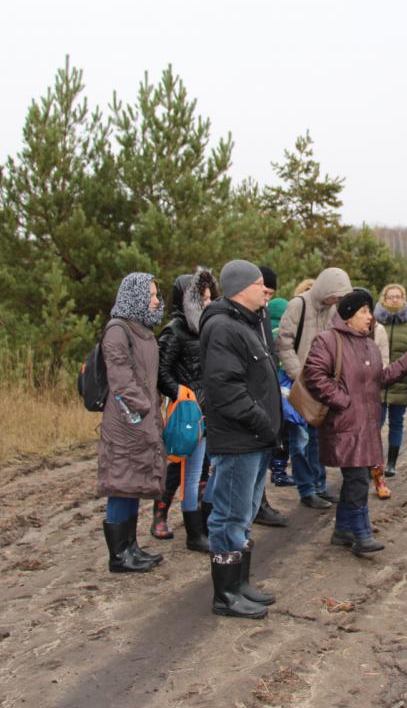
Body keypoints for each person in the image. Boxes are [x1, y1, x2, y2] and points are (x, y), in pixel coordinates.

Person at [302, 289, 407, 555]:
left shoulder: (368, 343)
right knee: (358, 478)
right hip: (344, 424)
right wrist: (343, 401)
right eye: (364, 312)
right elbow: (313, 375)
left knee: (356, 478)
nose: (370, 317)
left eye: (370, 311)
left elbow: (379, 379)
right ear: (348, 316)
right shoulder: (328, 340)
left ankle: (343, 530)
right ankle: (361, 533)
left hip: (367, 423)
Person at [199, 260, 282, 619]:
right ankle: (226, 595)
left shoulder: (246, 324)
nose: (266, 290)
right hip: (239, 439)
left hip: (255, 438)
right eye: (260, 284)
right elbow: (225, 388)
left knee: (243, 515)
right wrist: (261, 421)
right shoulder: (222, 327)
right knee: (229, 516)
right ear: (240, 287)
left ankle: (240, 583)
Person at [97, 272, 167, 573]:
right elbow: (121, 378)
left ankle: (131, 547)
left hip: (144, 419)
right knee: (120, 483)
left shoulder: (143, 330)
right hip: (126, 422)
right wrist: (142, 410)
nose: (156, 300)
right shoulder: (118, 330)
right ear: (135, 296)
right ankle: (118, 555)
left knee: (135, 482)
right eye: (151, 294)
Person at [152, 267, 218, 551]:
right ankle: (161, 515)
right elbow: (161, 372)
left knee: (203, 470)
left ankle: (199, 525)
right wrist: (181, 393)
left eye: (209, 298)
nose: (207, 303)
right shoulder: (174, 331)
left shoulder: (208, 327)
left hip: (208, 408)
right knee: (177, 468)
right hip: (187, 411)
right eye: (201, 298)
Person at [275, 267, 352, 509]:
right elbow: (284, 343)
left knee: (318, 439)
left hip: (322, 384)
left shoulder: (333, 310)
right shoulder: (299, 305)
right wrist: (298, 374)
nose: (337, 300)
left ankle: (319, 486)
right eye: (335, 295)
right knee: (300, 439)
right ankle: (306, 489)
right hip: (298, 383)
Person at [253, 265, 290, 527]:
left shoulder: (262, 314)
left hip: (267, 391)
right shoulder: (233, 317)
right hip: (247, 399)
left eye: (271, 293)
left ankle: (259, 504)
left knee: (263, 455)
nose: (267, 298)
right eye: (264, 292)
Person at [374, 283, 407, 480]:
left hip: (401, 380)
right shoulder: (375, 321)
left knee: (397, 423)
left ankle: (392, 462)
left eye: (398, 296)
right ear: (383, 299)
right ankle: (374, 462)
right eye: (390, 296)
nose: (394, 299)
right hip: (378, 381)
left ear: (404, 299)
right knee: (376, 423)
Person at [265, 296, 296, 488]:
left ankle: (272, 466)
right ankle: (279, 471)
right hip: (285, 390)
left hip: (267, 390)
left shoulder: (264, 329)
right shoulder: (285, 333)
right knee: (286, 434)